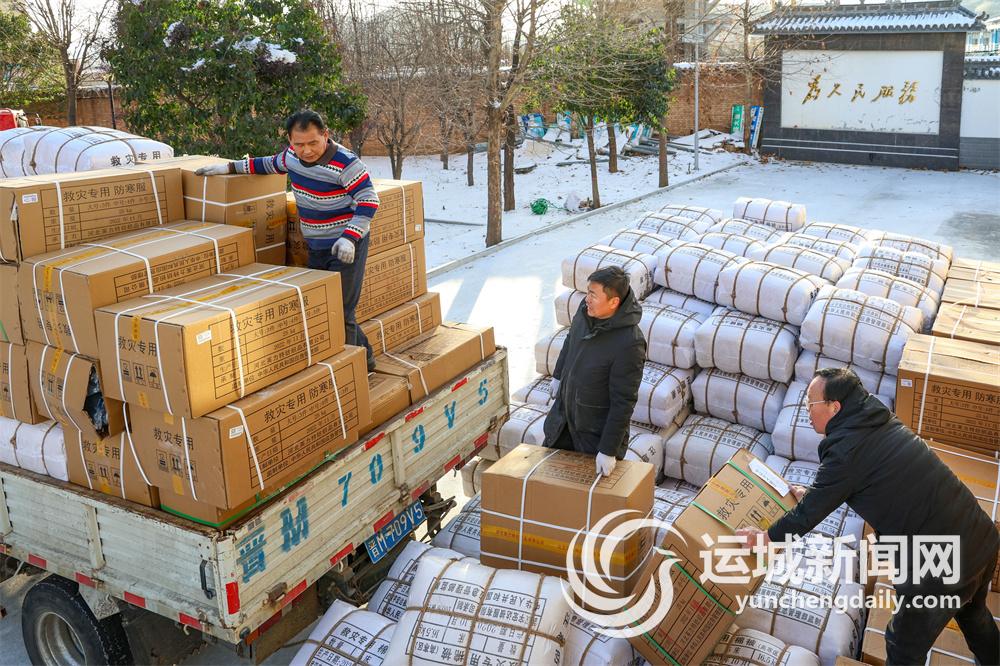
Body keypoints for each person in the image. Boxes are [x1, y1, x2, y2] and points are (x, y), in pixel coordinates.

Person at [736, 367, 999, 665]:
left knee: (903, 646)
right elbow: (862, 481)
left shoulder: (846, 449)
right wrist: (816, 495)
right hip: (980, 537)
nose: (806, 410)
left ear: (834, 407)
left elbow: (809, 514)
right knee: (974, 616)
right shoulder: (878, 422)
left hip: (943, 560)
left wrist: (766, 538)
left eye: (811, 403)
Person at [195, 109, 380, 372]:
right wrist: (227, 167)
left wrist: (350, 237)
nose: (306, 150)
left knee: (340, 310)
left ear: (325, 135)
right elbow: (265, 164)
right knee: (324, 303)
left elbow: (369, 200)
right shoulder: (291, 157)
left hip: (346, 246)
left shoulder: (347, 164)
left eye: (313, 142)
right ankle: (366, 358)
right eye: (299, 144)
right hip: (316, 245)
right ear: (290, 141)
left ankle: (353, 370)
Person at [542, 266, 646, 477]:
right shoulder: (585, 311)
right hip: (563, 422)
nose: (586, 299)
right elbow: (570, 340)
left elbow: (623, 402)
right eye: (587, 292)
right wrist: (559, 375)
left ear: (614, 302)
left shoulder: (629, 343)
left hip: (593, 437)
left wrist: (608, 450)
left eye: (593, 295)